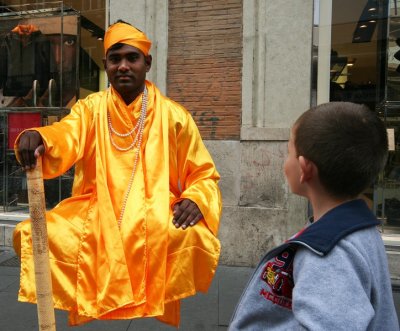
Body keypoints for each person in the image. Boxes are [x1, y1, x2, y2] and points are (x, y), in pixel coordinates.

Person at [13, 20, 221, 327]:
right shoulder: (91, 108)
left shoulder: (175, 116)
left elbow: (204, 174)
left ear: (146, 63)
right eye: (115, 59)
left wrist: (196, 198)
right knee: (32, 233)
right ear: (106, 64)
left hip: (155, 211)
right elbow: (66, 133)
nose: (123, 66)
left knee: (194, 235)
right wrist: (40, 137)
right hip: (95, 209)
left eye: (131, 58)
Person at [229, 102, 399, 330]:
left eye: (288, 152)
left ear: (305, 169)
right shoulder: (356, 230)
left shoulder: (327, 252)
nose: (284, 162)